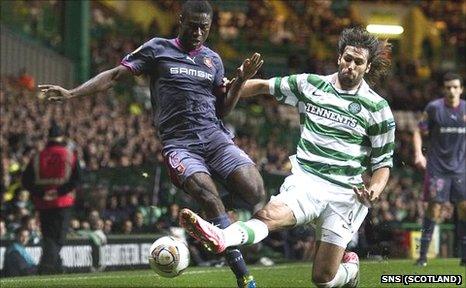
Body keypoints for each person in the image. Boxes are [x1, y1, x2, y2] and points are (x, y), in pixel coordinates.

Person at [38, 1, 265, 286]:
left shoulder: (213, 59)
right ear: (180, 20)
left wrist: (241, 80)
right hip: (180, 145)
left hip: (215, 137)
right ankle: (243, 275)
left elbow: (223, 110)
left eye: (203, 28)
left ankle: (215, 224)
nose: (197, 32)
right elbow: (114, 75)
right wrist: (72, 93)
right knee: (209, 196)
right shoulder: (157, 49)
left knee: (256, 190)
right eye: (192, 25)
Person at [180, 27, 395, 288]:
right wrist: (226, 88)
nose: (351, 65)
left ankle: (349, 272)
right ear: (339, 57)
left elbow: (383, 164)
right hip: (307, 182)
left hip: (346, 195)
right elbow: (263, 86)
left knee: (323, 279)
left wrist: (374, 189)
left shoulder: (378, 109)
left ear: (368, 67)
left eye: (358, 62)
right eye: (348, 58)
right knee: (269, 215)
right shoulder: (310, 85)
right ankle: (223, 236)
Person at [413, 72, 466, 267]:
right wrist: (419, 154)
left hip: (461, 169)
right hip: (437, 169)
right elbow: (419, 131)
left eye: (455, 87)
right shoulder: (434, 108)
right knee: (434, 209)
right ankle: (422, 257)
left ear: (461, 89)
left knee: (464, 209)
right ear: (444, 89)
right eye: (448, 87)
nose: (451, 90)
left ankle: (464, 255)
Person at [21, 122, 81, 274]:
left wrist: (42, 193)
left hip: (43, 203)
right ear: (62, 137)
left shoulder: (37, 156)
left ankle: (56, 268)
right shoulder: (70, 155)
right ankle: (46, 268)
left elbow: (26, 181)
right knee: (57, 238)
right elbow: (77, 180)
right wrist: (60, 192)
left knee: (48, 236)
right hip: (63, 202)